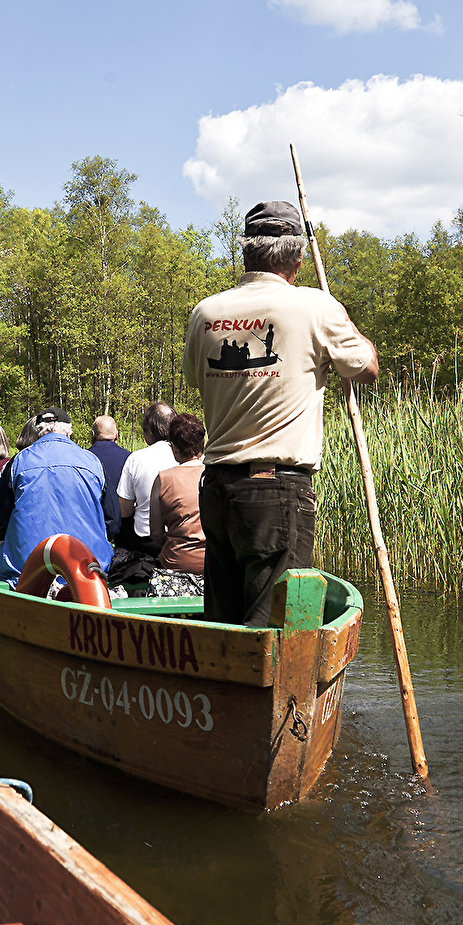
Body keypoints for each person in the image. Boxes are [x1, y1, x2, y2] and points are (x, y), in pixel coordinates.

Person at [182, 200, 379, 626]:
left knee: (225, 621)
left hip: (215, 486)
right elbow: (367, 369)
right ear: (298, 259)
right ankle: (271, 695)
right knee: (275, 625)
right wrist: (346, 326)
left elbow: (198, 381)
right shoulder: (315, 306)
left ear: (245, 252)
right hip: (275, 490)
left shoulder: (206, 312)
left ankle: (223, 694)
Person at [0, 408, 113, 585]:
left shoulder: (17, 462)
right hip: (88, 570)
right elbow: (112, 523)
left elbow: (0, 525)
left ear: (37, 432)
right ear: (69, 432)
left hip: (28, 571)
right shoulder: (94, 462)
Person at [147, 413, 206, 598]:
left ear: (174, 447)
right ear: (202, 444)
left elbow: (155, 533)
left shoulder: (163, 479)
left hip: (175, 564)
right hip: (214, 565)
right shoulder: (214, 475)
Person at [115, 402, 176, 556]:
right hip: (180, 538)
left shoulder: (136, 458)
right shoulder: (189, 457)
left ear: (149, 431)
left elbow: (124, 511)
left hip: (146, 542)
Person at [87, 415, 131, 541]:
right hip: (124, 532)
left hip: (93, 529)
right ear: (116, 435)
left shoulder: (83, 459)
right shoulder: (130, 458)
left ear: (93, 434)